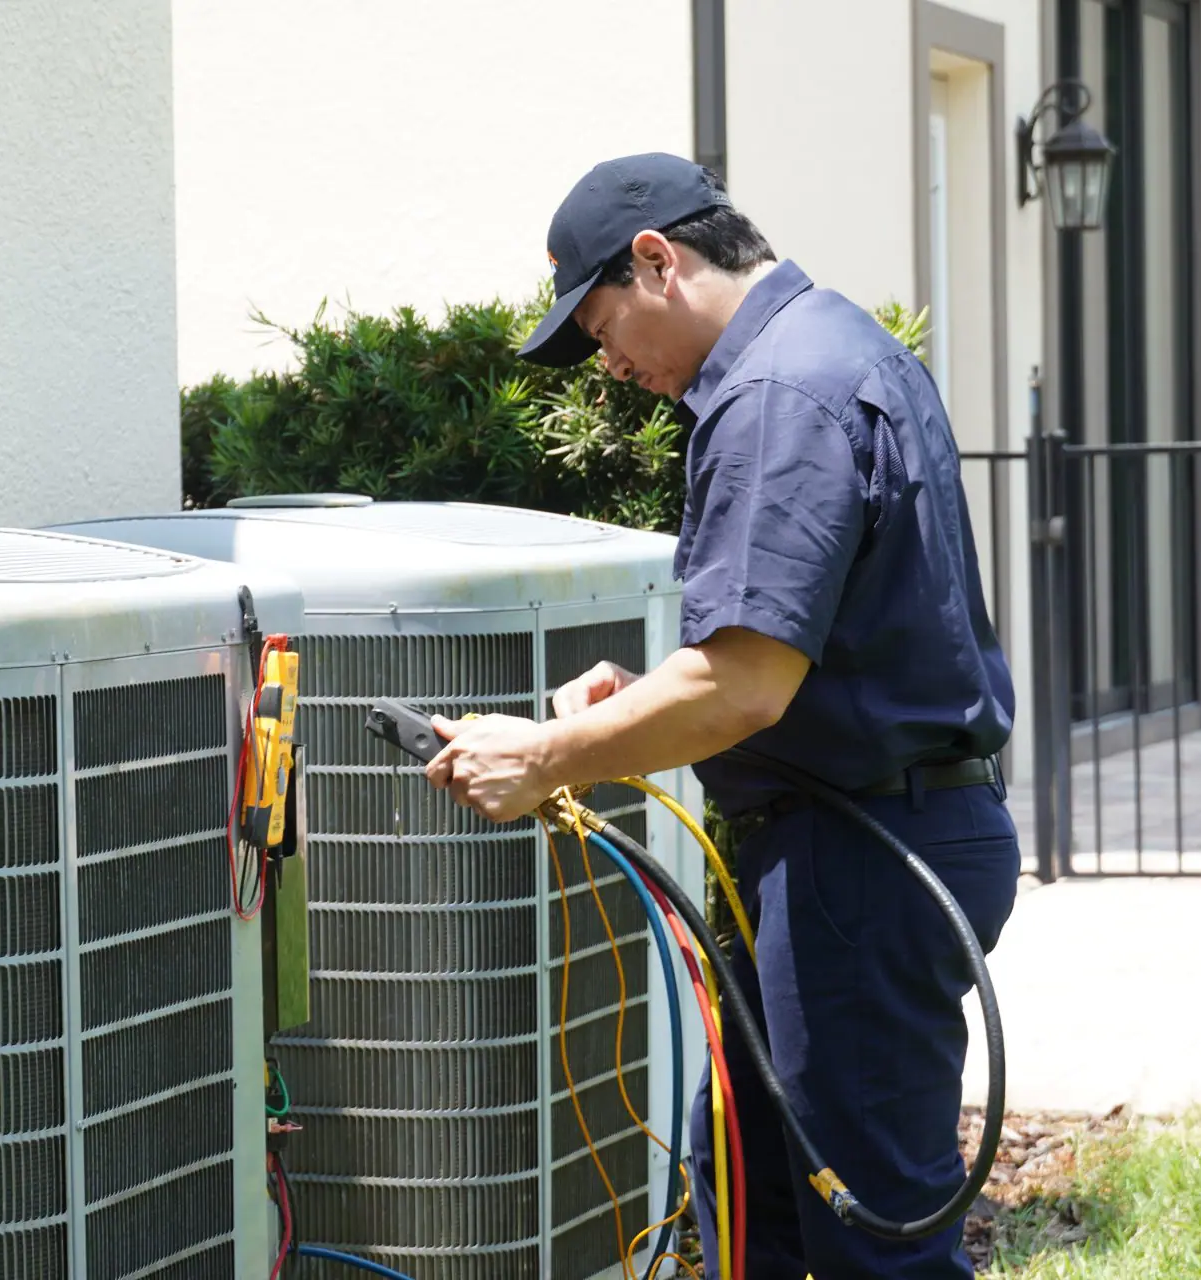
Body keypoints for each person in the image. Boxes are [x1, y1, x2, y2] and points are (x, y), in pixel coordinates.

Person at [422, 152, 1021, 1279]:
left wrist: (547, 756)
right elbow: (790, 653)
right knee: (751, 1198)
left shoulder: (778, 393)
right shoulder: (830, 347)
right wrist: (644, 696)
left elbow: (744, 686)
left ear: (657, 260)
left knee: (870, 1247)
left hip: (858, 863)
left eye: (601, 328)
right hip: (862, 845)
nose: (609, 364)